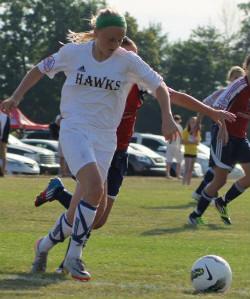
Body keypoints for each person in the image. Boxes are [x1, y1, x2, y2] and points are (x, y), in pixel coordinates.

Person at [0, 8, 235, 281]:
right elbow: (39, 69)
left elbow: (164, 90)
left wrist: (170, 116)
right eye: (111, 39)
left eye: (121, 39)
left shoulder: (129, 64)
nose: (116, 46)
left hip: (108, 139)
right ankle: (74, 257)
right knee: (93, 187)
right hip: (75, 128)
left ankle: (43, 245)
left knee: (93, 213)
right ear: (97, 33)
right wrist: (16, 96)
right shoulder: (74, 54)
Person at [188, 54, 250, 226]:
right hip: (223, 135)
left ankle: (222, 202)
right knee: (220, 180)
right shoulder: (239, 85)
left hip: (240, 137)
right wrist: (222, 128)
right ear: (246, 68)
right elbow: (217, 106)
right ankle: (195, 214)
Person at [192, 66, 245, 201]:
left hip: (236, 135)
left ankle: (202, 193)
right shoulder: (223, 92)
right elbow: (204, 104)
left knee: (223, 168)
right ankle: (202, 194)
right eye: (235, 77)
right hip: (221, 131)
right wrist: (198, 123)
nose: (238, 79)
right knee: (219, 168)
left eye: (240, 77)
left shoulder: (244, 93)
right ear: (229, 79)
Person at [182, 116, 201, 185]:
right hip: (187, 152)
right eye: (192, 122)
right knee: (187, 168)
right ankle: (183, 183)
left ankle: (188, 184)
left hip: (194, 152)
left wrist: (193, 142)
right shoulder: (186, 131)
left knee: (191, 169)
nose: (193, 123)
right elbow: (183, 142)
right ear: (189, 123)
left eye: (194, 122)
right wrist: (192, 142)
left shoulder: (197, 132)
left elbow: (198, 142)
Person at [165, 114, 183, 179]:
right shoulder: (179, 127)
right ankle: (177, 175)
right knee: (178, 160)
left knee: (169, 160)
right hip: (175, 145)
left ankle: (168, 174)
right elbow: (181, 138)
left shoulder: (170, 126)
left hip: (171, 145)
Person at [0, 111, 10, 176]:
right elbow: (7, 130)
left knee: (3, 156)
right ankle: (2, 172)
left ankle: (2, 172)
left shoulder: (5, 116)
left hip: (3, 139)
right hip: (4, 139)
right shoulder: (6, 117)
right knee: (4, 156)